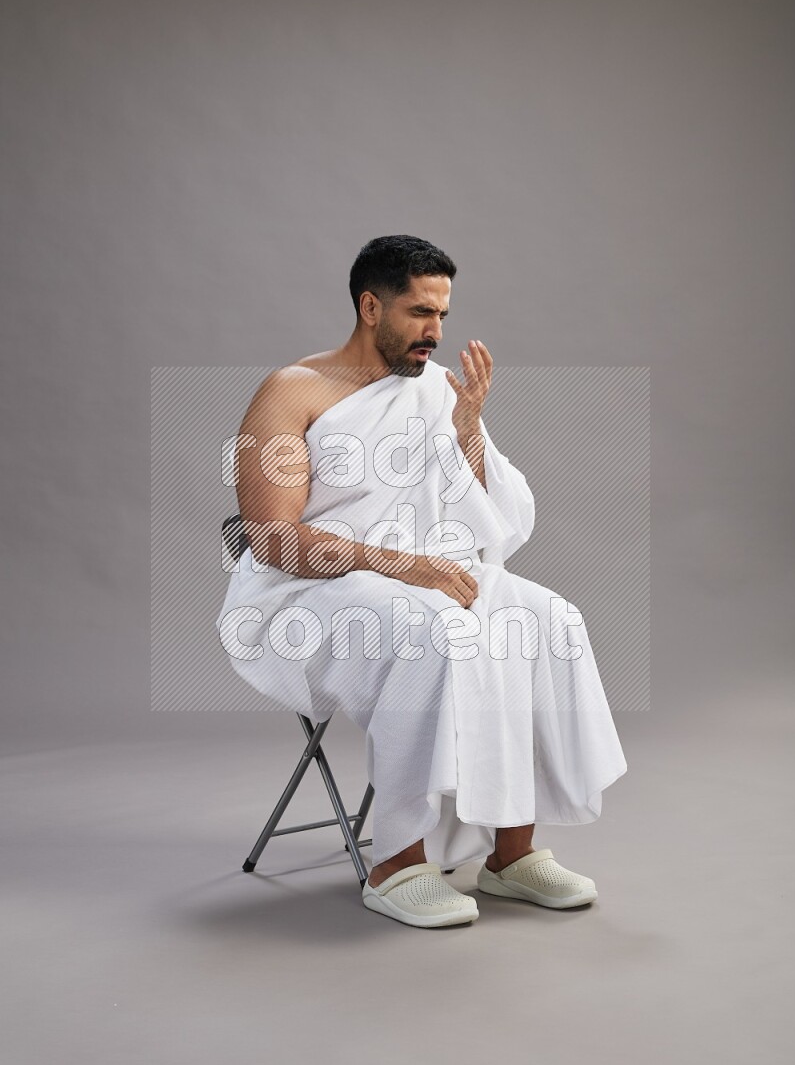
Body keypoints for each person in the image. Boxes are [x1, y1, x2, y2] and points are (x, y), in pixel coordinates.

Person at [216, 235, 628, 929]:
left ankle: (511, 854)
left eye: (442, 314)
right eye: (418, 313)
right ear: (370, 306)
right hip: (307, 595)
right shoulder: (291, 393)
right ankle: (397, 862)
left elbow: (492, 520)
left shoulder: (435, 389)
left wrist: (468, 429)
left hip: (424, 571)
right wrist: (408, 568)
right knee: (429, 632)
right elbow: (274, 540)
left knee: (548, 617)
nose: (435, 332)